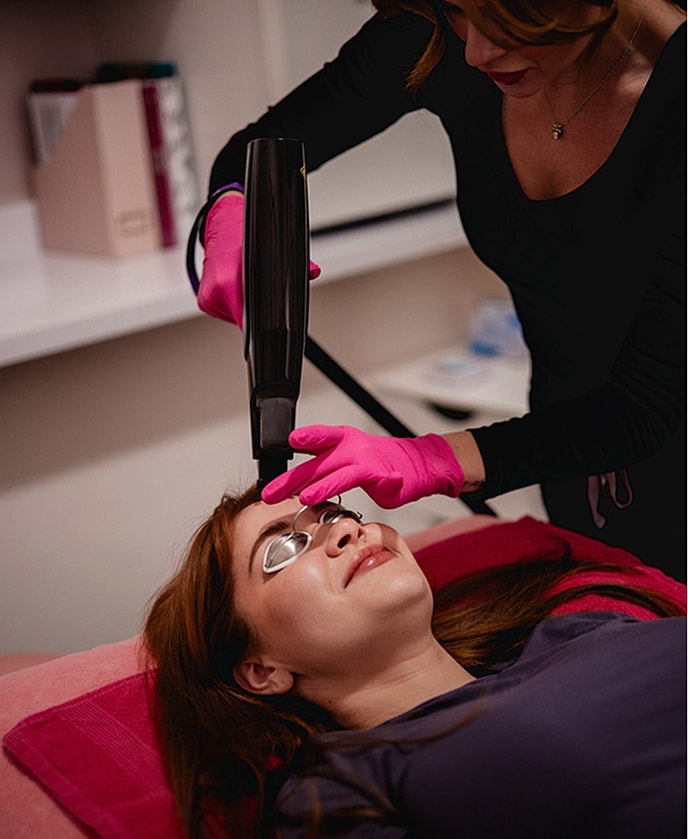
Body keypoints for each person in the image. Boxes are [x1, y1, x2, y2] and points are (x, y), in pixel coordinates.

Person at [143, 486, 686, 839]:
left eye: (340, 514)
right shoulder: (332, 797)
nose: (349, 531)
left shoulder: (577, 633)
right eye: (284, 548)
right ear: (261, 669)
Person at [192, 0, 686, 581]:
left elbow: (646, 404)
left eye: (504, 15)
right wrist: (232, 210)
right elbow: (258, 151)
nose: (475, 50)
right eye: (456, 10)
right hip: (569, 462)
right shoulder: (437, 35)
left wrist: (430, 458)